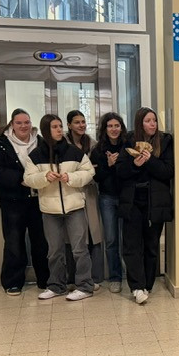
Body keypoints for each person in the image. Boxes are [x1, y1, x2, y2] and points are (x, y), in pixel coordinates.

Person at [23, 114, 96, 301]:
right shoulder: (35, 155)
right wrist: (44, 177)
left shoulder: (74, 151)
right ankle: (56, 286)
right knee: (54, 251)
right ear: (46, 130)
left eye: (60, 126)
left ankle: (85, 286)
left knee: (79, 249)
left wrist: (71, 178)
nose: (59, 130)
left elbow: (89, 171)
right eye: (54, 127)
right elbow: (28, 179)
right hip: (49, 210)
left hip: (75, 207)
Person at [0, 108, 50, 295]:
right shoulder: (2, 144)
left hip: (38, 199)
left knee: (41, 241)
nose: (24, 126)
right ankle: (13, 282)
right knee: (14, 242)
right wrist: (20, 179)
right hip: (13, 201)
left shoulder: (41, 142)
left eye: (27, 122)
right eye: (19, 123)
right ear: (12, 125)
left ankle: (45, 280)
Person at [117, 107, 173, 304]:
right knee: (132, 245)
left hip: (155, 202)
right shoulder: (128, 141)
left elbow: (168, 171)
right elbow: (120, 171)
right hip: (132, 200)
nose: (153, 124)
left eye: (154, 120)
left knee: (151, 245)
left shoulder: (165, 141)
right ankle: (136, 287)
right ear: (140, 123)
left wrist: (150, 161)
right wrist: (135, 165)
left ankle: (147, 284)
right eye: (148, 121)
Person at [66, 110, 104, 289]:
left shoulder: (93, 144)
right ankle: (73, 278)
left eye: (83, 122)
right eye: (77, 122)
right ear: (69, 125)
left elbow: (97, 169)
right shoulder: (63, 145)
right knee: (74, 235)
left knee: (93, 233)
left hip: (89, 192)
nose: (81, 125)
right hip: (70, 192)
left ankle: (94, 277)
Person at [90, 112, 127, 293]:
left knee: (129, 238)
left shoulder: (128, 146)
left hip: (127, 197)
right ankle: (115, 277)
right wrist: (109, 165)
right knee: (111, 240)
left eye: (117, 125)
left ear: (122, 127)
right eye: (110, 126)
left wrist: (119, 164)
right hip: (107, 198)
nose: (114, 129)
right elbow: (96, 177)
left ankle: (133, 276)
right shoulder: (98, 150)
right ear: (105, 129)